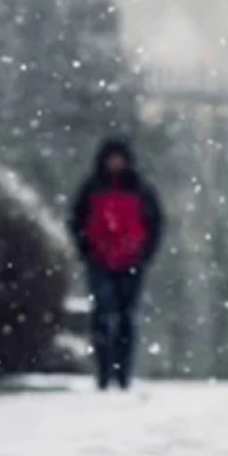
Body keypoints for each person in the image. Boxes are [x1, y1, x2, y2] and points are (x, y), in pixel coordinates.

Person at [70, 137, 163, 391]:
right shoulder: (92, 188)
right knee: (103, 314)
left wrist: (144, 253)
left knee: (125, 318)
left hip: (130, 261)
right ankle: (104, 372)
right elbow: (77, 221)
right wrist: (87, 250)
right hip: (100, 260)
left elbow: (155, 225)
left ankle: (122, 373)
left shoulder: (141, 190)